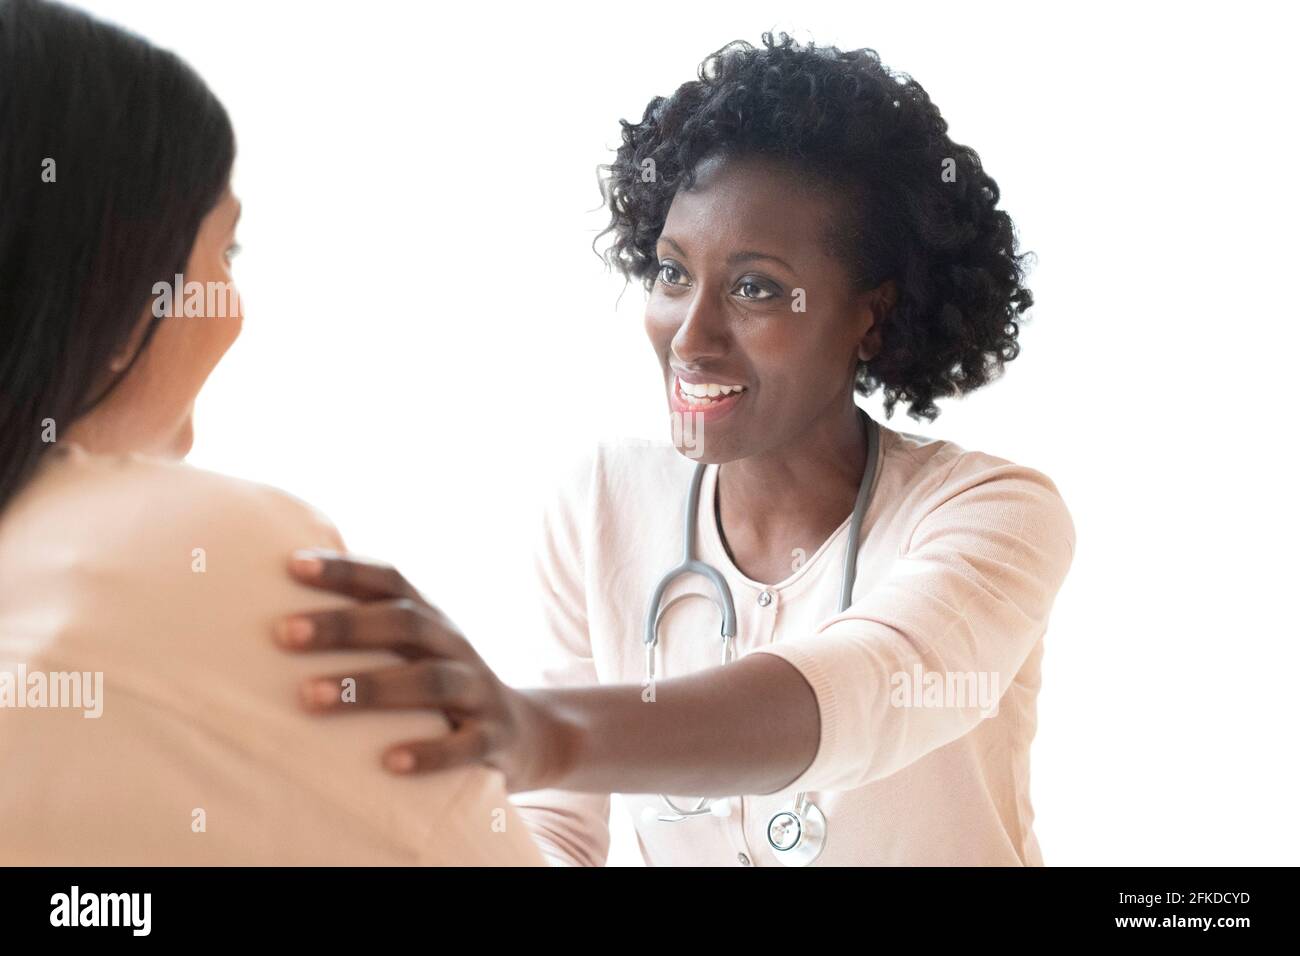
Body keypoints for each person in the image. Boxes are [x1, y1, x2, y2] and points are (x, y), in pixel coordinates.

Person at [275, 32, 1077, 866]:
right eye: (671, 273)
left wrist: (539, 731)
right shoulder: (602, 501)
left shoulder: (995, 514)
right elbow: (558, 832)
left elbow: (866, 691)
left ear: (869, 317)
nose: (690, 337)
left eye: (755, 288)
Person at [0, 0, 542, 866]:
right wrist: (540, 738)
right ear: (110, 278)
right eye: (227, 251)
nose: (235, 312)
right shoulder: (187, 550)